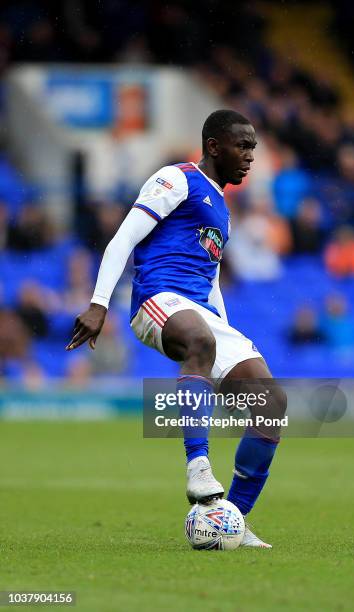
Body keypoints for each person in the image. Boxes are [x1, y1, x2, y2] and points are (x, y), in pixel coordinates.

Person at [66, 110, 286, 549]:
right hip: (156, 301)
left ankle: (231, 520)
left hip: (201, 311)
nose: (249, 157)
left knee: (271, 405)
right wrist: (98, 303)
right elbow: (122, 239)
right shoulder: (176, 179)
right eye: (242, 146)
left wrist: (227, 332)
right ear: (213, 146)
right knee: (200, 340)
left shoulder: (222, 209)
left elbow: (210, 280)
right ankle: (198, 465)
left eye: (253, 149)